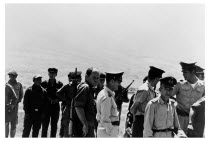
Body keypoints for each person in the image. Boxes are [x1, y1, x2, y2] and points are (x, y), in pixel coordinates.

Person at [130, 66, 165, 137]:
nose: (157, 82)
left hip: (146, 121)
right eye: (158, 80)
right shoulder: (144, 90)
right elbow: (133, 109)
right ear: (156, 78)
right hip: (141, 122)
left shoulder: (150, 90)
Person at [171, 62, 205, 133]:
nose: (183, 74)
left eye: (185, 72)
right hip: (179, 119)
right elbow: (168, 96)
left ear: (192, 72)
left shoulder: (203, 86)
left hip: (195, 121)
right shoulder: (179, 84)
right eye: (183, 72)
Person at [70, 67, 99, 137]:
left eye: (98, 78)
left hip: (86, 127)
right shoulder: (85, 87)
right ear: (87, 76)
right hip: (82, 128)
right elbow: (78, 107)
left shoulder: (89, 88)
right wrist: (85, 124)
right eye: (94, 77)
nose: (96, 80)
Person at [96, 71, 124, 137]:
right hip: (107, 133)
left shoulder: (107, 94)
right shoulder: (106, 97)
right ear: (112, 81)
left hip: (106, 132)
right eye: (118, 82)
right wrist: (112, 133)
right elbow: (105, 119)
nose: (119, 84)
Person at [57, 68, 82, 137]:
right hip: (68, 108)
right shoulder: (68, 86)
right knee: (66, 125)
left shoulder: (81, 87)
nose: (75, 79)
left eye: (77, 78)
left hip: (77, 108)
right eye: (73, 78)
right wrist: (66, 100)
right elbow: (58, 93)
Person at [41, 68, 63, 137]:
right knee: (44, 126)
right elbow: (41, 95)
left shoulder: (59, 84)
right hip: (46, 108)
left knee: (54, 126)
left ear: (56, 74)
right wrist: (47, 98)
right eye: (50, 73)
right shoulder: (44, 84)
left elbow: (63, 95)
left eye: (53, 73)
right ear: (48, 74)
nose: (51, 74)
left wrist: (57, 100)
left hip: (55, 108)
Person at [5, 70, 23, 138]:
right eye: (11, 76)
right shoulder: (6, 85)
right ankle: (5, 137)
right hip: (6, 107)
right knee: (6, 123)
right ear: (9, 76)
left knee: (14, 123)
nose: (13, 77)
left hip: (15, 107)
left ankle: (12, 138)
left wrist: (17, 102)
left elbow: (21, 95)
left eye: (14, 76)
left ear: (16, 76)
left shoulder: (19, 84)